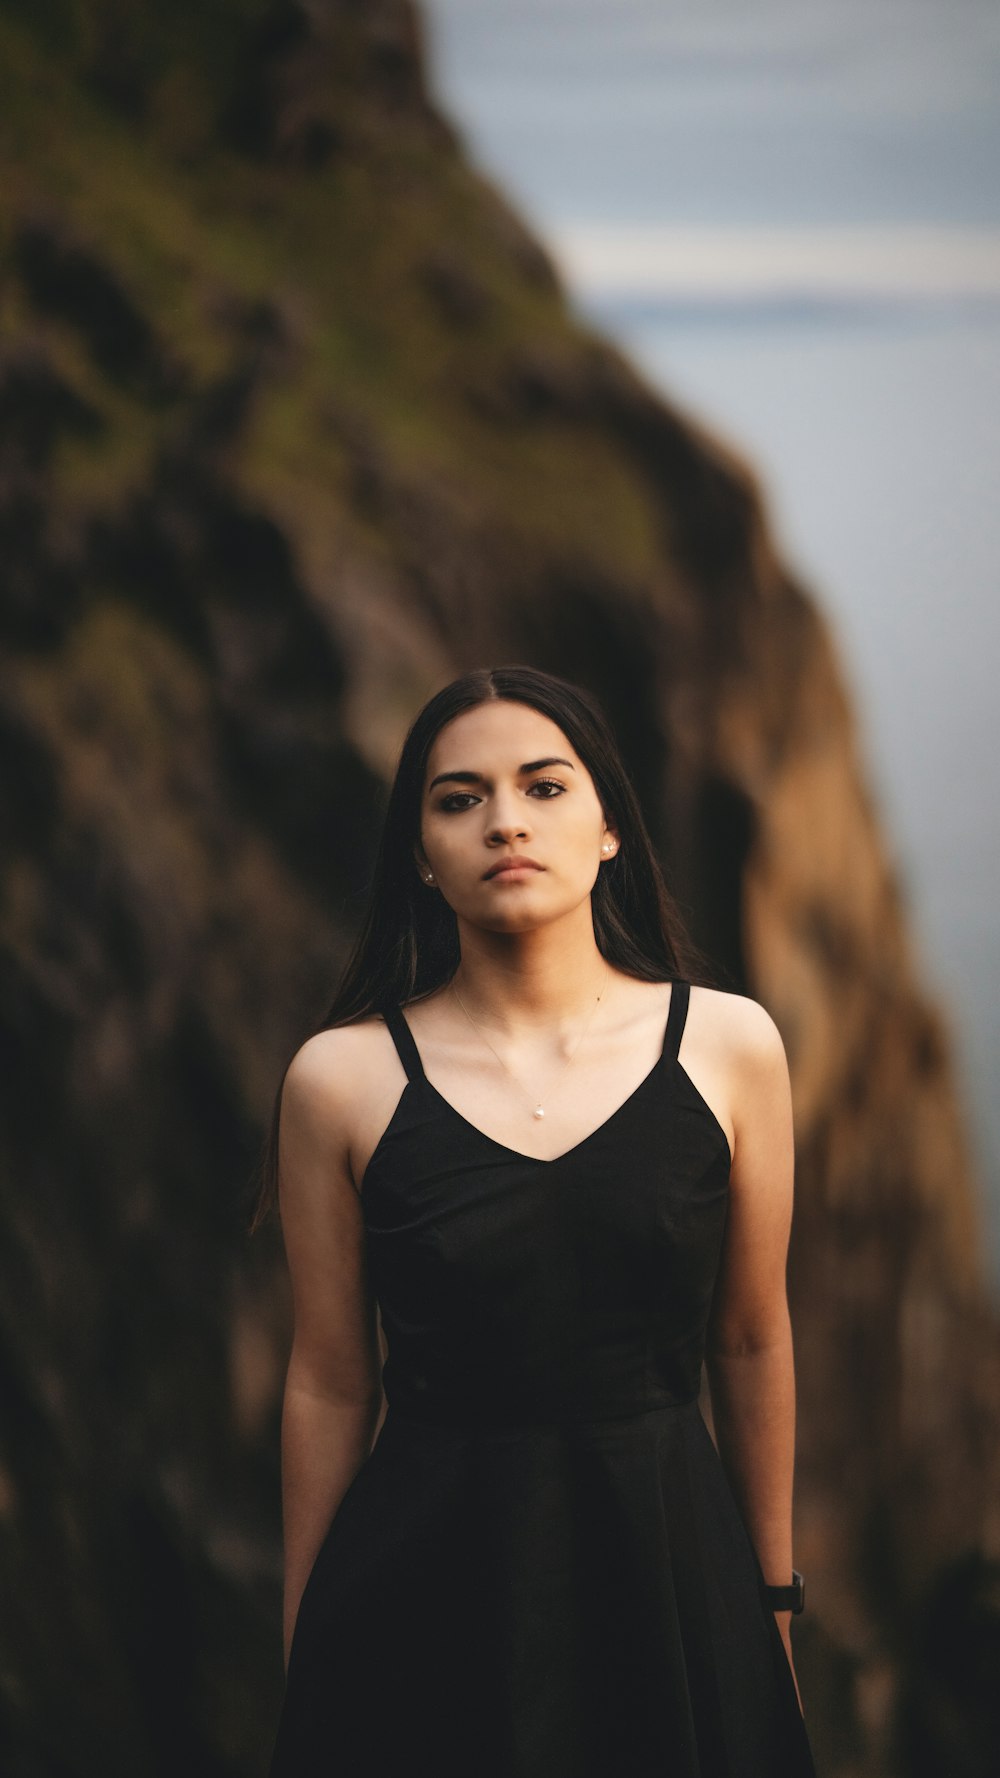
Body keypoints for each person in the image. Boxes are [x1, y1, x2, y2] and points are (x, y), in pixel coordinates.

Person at [257, 664, 818, 1777]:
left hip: (670, 1569)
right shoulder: (340, 1078)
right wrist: (305, 1637)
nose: (503, 820)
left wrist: (772, 1605)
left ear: (608, 824)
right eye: (457, 798)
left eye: (543, 786)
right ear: (421, 853)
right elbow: (327, 1377)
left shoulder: (728, 1045)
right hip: (424, 1590)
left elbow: (752, 1336)